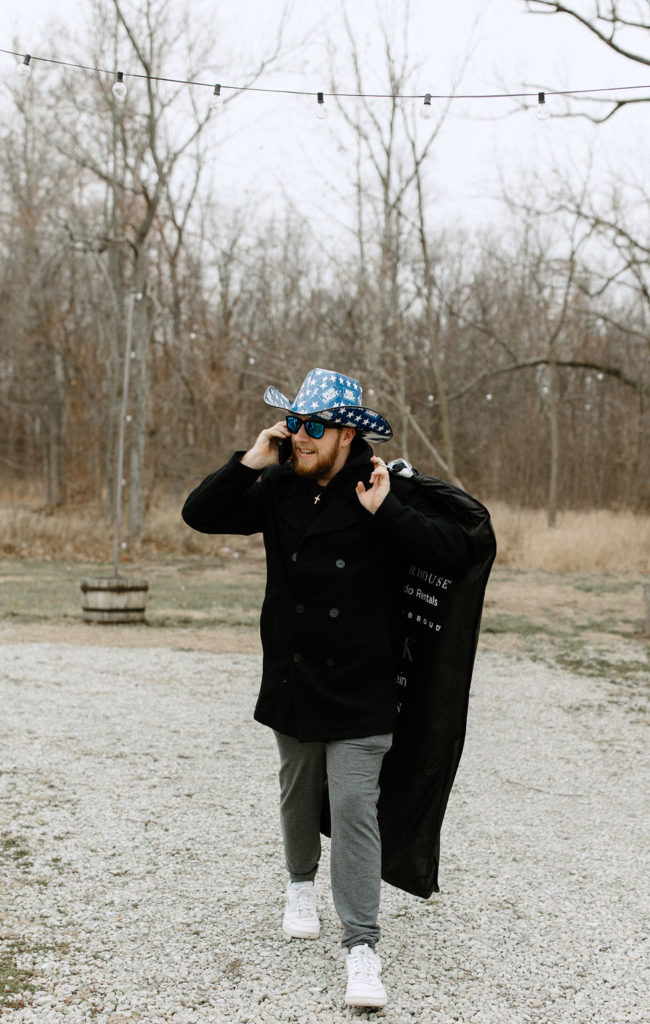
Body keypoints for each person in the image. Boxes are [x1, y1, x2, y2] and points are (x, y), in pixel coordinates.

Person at [181, 367, 476, 1009]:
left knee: (353, 808)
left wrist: (388, 512)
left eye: (312, 427)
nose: (300, 437)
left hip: (363, 685)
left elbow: (457, 552)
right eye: (295, 425)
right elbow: (199, 515)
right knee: (297, 789)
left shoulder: (379, 486)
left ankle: (362, 947)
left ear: (346, 434)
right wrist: (248, 461)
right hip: (294, 673)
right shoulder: (278, 484)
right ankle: (298, 882)